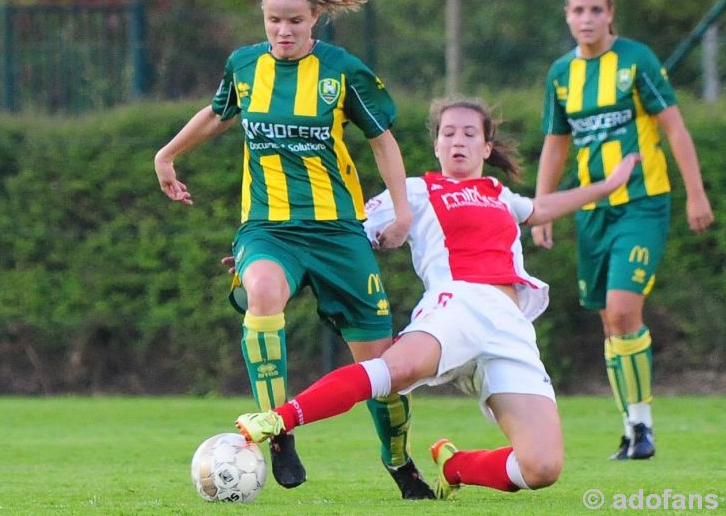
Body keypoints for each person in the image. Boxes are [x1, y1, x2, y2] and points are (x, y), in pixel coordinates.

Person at [235, 96, 640, 499]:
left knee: (542, 466)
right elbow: (343, 232)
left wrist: (607, 186)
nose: (457, 141)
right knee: (393, 370)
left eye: (469, 133)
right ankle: (276, 421)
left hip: (510, 324)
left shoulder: (499, 193)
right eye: (448, 133)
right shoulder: (414, 191)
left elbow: (541, 207)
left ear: (486, 147)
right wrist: (273, 250)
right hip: (457, 303)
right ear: (436, 146)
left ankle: (455, 465)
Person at [154, 0, 435, 499]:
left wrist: (401, 213)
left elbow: (383, 141)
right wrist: (166, 155)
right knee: (261, 291)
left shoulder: (342, 71)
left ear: (316, 20)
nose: (283, 32)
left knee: (381, 367)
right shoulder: (244, 67)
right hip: (268, 227)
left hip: (337, 232)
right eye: (273, 21)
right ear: (263, 18)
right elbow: (217, 115)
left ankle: (400, 463)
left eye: (294, 22)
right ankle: (277, 430)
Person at [532, 0, 714, 460]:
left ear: (611, 13)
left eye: (595, 10)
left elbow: (673, 127)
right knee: (609, 324)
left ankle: (644, 427)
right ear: (567, 16)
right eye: (578, 11)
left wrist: (695, 194)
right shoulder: (561, 75)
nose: (586, 19)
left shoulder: (637, 60)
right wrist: (542, 205)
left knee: (622, 310)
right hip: (591, 210)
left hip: (642, 203)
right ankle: (632, 428)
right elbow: (556, 142)